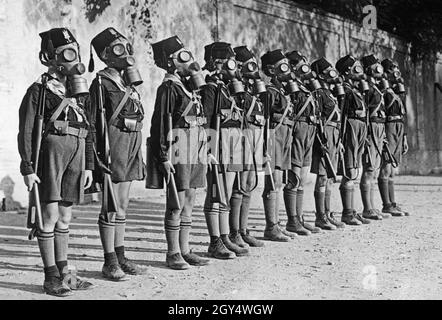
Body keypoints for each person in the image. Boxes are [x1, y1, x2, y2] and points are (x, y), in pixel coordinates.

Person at [18, 27, 94, 296]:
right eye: (67, 53)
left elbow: (88, 128)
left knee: (65, 216)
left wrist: (88, 164)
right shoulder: (38, 91)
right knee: (48, 215)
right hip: (51, 154)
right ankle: (51, 277)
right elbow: (27, 130)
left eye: (75, 51)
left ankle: (66, 274)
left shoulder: (77, 93)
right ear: (50, 57)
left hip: (75, 154)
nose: (72, 59)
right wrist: (27, 166)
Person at [89, 27, 146, 280]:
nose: (126, 52)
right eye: (118, 48)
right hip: (113, 147)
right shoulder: (100, 83)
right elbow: (92, 123)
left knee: (122, 204)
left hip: (130, 144)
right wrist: (96, 158)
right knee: (110, 206)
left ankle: (121, 256)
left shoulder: (128, 82)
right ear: (105, 55)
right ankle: (109, 261)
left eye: (126, 46)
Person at [150, 35, 212, 269]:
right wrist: (163, 156)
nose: (189, 61)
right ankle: (173, 252)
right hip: (178, 145)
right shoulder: (168, 88)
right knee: (176, 202)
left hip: (195, 146)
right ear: (170, 62)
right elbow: (159, 125)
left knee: (190, 200)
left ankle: (185, 249)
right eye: (182, 57)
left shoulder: (188, 89)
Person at [201, 41, 250, 258]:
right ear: (217, 63)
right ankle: (215, 241)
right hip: (219, 143)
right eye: (229, 61)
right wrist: (208, 149)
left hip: (233, 140)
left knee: (226, 194)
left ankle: (225, 237)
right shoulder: (210, 89)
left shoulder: (229, 90)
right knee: (215, 193)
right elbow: (207, 120)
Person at [229, 45, 265, 247]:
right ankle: (234, 232)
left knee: (249, 185)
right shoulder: (235, 88)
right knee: (239, 187)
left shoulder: (252, 90)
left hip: (255, 141)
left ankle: (243, 229)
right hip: (242, 140)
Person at [283, 50, 322, 236]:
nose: (303, 64)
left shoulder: (305, 85)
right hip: (297, 130)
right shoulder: (289, 85)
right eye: (297, 62)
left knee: (303, 178)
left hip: (309, 130)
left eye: (303, 61)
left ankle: (299, 218)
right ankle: (292, 220)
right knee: (294, 177)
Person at [259, 49, 295, 242]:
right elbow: (264, 120)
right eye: (282, 65)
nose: (287, 68)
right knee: (272, 183)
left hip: (284, 136)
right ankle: (271, 226)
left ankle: (276, 224)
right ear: (272, 70)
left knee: (279, 182)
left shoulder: (281, 91)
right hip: (273, 136)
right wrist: (264, 147)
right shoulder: (269, 92)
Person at [310, 57, 346, 230]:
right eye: (327, 69)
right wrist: (321, 140)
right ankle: (320, 215)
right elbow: (318, 119)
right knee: (323, 176)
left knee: (330, 176)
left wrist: (338, 141)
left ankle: (328, 212)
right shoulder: (318, 93)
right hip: (325, 135)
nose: (331, 71)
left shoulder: (329, 92)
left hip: (334, 134)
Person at [335, 55, 370, 225]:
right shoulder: (345, 91)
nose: (359, 69)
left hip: (359, 127)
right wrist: (340, 138)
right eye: (355, 67)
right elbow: (341, 116)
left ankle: (352, 211)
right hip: (350, 128)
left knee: (355, 169)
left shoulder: (356, 90)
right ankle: (347, 213)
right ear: (347, 71)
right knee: (349, 170)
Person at [378, 58, 410, 217]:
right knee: (386, 166)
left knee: (393, 170)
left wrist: (404, 136)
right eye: (391, 69)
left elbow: (403, 115)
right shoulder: (382, 89)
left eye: (396, 68)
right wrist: (382, 134)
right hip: (388, 127)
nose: (395, 72)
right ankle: (386, 204)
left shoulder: (398, 89)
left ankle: (392, 203)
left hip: (398, 127)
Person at [359, 54, 387, 220]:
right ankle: (367, 208)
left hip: (379, 128)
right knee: (369, 168)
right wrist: (367, 133)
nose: (378, 67)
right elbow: (367, 112)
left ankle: (372, 206)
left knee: (374, 169)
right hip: (371, 128)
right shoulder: (366, 87)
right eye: (375, 65)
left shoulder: (376, 87)